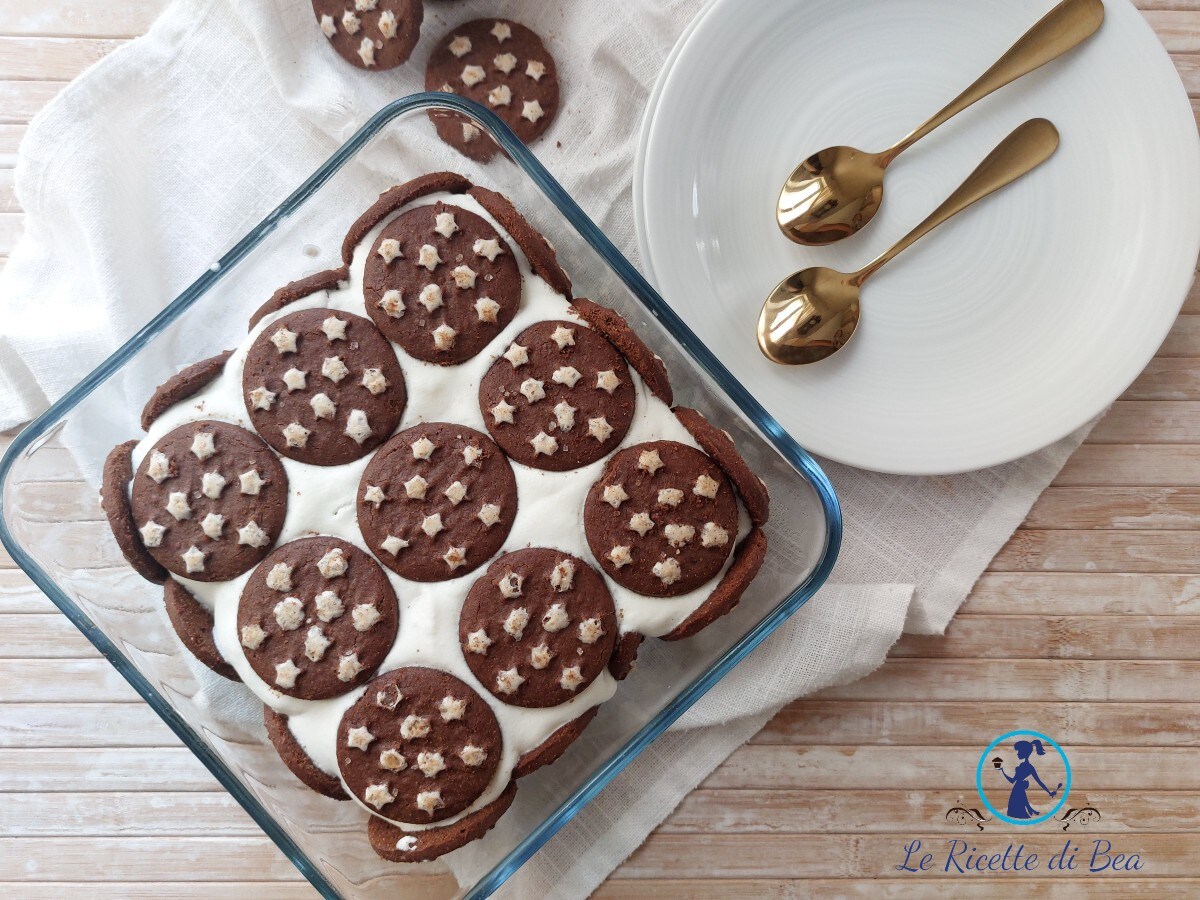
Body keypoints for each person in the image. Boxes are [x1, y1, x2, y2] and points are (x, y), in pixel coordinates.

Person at [998, 739, 1058, 819]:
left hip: (1017, 790)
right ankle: (1030, 811)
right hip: (1016, 790)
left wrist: (1049, 792)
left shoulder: (1029, 767)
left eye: (1019, 751)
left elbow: (1039, 781)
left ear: (1024, 752)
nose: (1017, 754)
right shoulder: (1023, 766)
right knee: (1017, 813)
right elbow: (1012, 781)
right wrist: (1002, 771)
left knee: (1018, 813)